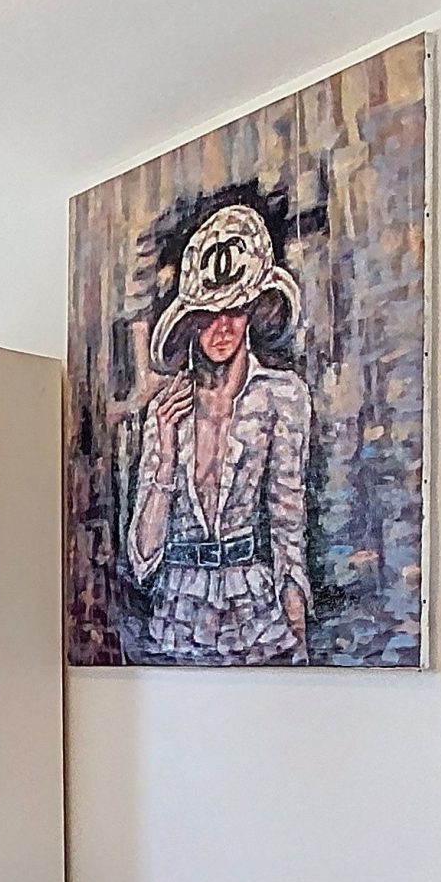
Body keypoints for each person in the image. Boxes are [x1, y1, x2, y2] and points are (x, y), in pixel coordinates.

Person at [122, 203, 311, 665]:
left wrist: (297, 629)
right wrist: (166, 455)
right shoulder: (167, 409)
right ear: (191, 321)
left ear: (254, 311)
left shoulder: (282, 396)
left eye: (236, 309)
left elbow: (287, 523)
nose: (222, 327)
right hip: (178, 616)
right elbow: (143, 557)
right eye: (209, 314)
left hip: (255, 611)